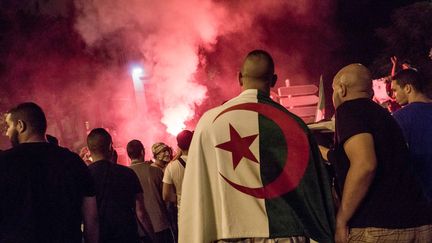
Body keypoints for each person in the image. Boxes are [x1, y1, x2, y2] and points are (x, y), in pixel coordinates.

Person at [179, 50, 335, 243]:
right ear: (274, 80)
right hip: (285, 233)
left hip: (229, 232)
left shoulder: (209, 123)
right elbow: (312, 189)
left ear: (239, 77)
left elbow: (197, 187)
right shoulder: (294, 126)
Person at [331, 64, 432, 243]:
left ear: (341, 89)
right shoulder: (385, 115)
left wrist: (341, 219)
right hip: (420, 222)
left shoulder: (348, 110)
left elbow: (365, 164)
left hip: (379, 227)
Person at [0, 102, 98, 243]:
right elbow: (91, 218)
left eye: (9, 126)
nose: (7, 132)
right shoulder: (73, 161)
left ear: (21, 126)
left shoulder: (4, 162)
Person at [87, 128, 154, 243]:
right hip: (128, 236)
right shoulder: (127, 173)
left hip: (102, 238)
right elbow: (141, 212)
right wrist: (153, 238)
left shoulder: (84, 176)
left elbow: (89, 217)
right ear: (110, 148)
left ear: (89, 150)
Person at [391, 68, 432, 201]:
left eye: (395, 90)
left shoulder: (400, 117)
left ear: (408, 88)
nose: (393, 95)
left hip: (422, 192)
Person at [127, 139, 173, 243]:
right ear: (143, 152)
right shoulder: (155, 171)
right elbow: (167, 198)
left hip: (140, 230)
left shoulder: (124, 175)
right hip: (161, 225)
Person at [163, 130, 193, 212]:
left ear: (178, 146)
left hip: (184, 210)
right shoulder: (204, 160)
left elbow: (166, 195)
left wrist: (180, 198)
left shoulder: (171, 167)